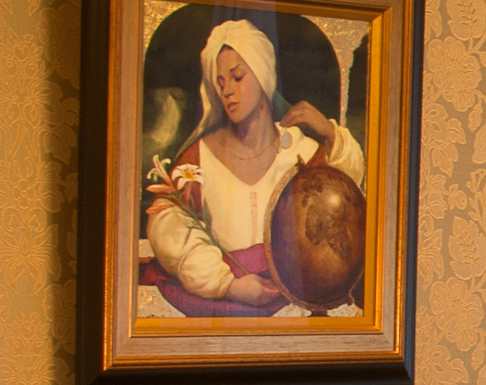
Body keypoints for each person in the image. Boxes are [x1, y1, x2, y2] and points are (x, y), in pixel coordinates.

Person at [143, 18, 367, 316]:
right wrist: (228, 285)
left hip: (292, 308)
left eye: (237, 77)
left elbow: (345, 201)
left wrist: (329, 132)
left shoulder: (302, 153)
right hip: (218, 311)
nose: (227, 91)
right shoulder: (198, 159)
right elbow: (167, 226)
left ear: (263, 76)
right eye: (220, 82)